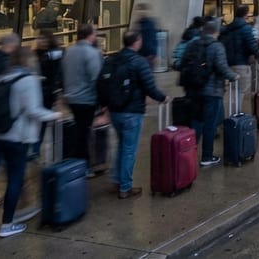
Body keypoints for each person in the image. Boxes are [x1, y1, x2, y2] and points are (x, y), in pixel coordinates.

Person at [0, 46, 62, 238]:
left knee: (3, 172)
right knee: (15, 179)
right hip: (17, 137)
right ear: (29, 60)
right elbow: (33, 110)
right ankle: (7, 223)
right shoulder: (28, 80)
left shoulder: (2, 77)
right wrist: (54, 115)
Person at [103, 30, 168, 199]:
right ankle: (125, 187)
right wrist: (163, 98)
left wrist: (104, 106)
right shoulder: (139, 62)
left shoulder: (112, 59)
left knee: (121, 145)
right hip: (132, 111)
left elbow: (102, 83)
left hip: (115, 110)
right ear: (137, 42)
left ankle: (116, 180)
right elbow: (149, 86)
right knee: (129, 150)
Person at [180, 20, 237, 166]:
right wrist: (233, 76)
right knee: (210, 125)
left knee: (196, 122)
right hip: (212, 91)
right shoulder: (216, 46)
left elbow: (182, 64)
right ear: (216, 32)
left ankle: (189, 154)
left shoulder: (193, 44)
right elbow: (222, 67)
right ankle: (207, 156)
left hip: (195, 89)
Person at [62, 23, 103, 174]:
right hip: (86, 99)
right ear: (90, 35)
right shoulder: (91, 53)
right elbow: (96, 79)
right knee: (84, 133)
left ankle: (78, 162)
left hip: (71, 98)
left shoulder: (69, 51)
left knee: (79, 131)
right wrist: (103, 103)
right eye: (95, 33)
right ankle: (83, 166)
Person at [219, 6, 259, 115]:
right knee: (240, 92)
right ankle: (235, 117)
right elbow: (251, 46)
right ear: (245, 14)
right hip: (242, 64)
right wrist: (258, 53)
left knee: (233, 91)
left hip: (229, 64)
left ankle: (231, 116)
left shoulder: (227, 29)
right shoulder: (246, 28)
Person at [29, 32, 64, 160]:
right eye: (39, 38)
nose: (41, 41)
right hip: (36, 91)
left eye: (44, 39)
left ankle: (35, 149)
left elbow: (57, 75)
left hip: (47, 93)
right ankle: (34, 148)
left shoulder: (54, 54)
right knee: (37, 121)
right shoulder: (35, 54)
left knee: (43, 122)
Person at [130, 3, 161, 68]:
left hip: (149, 56)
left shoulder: (150, 24)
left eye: (143, 10)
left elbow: (154, 40)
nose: (141, 13)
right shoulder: (136, 25)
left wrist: (154, 54)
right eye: (139, 11)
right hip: (139, 56)